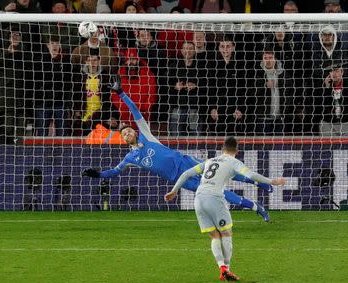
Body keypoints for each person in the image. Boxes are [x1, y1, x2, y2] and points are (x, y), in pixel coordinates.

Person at [82, 76, 273, 221]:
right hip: (180, 180)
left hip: (187, 162)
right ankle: (256, 207)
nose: (127, 133)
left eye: (129, 130)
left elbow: (135, 111)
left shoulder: (147, 136)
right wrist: (97, 174)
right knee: (216, 192)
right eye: (124, 134)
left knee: (223, 171)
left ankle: (259, 183)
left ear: (135, 131)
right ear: (123, 140)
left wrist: (121, 93)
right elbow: (114, 173)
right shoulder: (131, 158)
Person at [164, 137, 285, 281]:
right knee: (226, 233)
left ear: (222, 149)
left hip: (199, 198)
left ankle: (221, 268)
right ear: (237, 151)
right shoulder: (234, 162)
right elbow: (251, 175)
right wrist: (273, 181)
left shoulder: (210, 161)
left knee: (215, 235)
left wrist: (174, 190)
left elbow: (185, 174)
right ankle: (227, 269)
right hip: (214, 197)